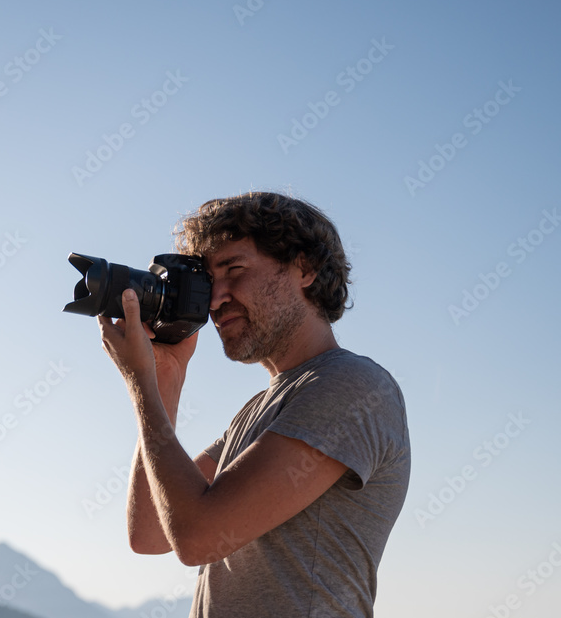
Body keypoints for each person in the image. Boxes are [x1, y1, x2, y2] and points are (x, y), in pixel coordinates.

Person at [96, 192, 410, 618]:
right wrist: (164, 382)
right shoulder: (259, 409)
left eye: (234, 270)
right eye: (209, 280)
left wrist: (141, 387)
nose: (215, 299)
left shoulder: (351, 385)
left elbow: (197, 537)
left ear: (305, 268)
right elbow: (151, 533)